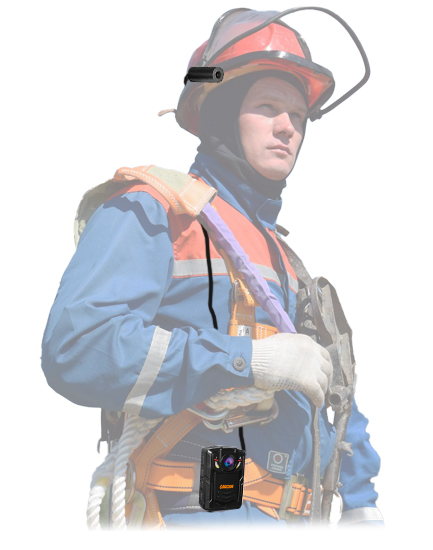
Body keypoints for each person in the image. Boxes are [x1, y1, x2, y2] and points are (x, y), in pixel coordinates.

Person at [41, 8, 382, 528]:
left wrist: (362, 501)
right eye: (268, 106)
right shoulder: (152, 211)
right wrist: (247, 360)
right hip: (193, 515)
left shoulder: (283, 260)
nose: (288, 127)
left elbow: (328, 388)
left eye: (298, 114)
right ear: (221, 111)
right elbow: (78, 347)